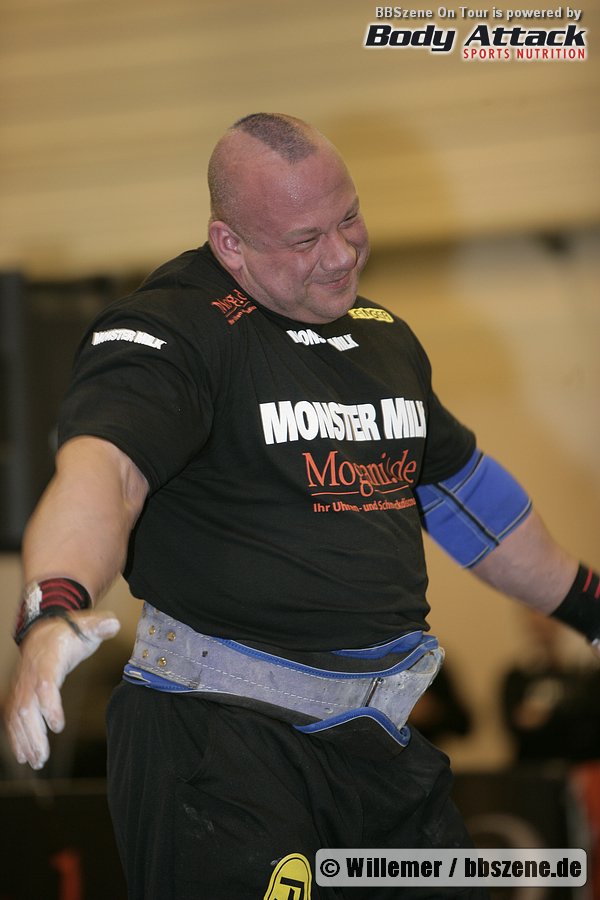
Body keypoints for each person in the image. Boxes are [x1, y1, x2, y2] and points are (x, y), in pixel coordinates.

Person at [4, 113, 599, 900]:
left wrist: (592, 608)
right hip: (222, 744)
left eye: (349, 218)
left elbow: (468, 497)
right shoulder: (168, 332)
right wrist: (54, 605)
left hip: (373, 743)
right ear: (230, 245)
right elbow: (104, 473)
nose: (342, 253)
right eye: (306, 238)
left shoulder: (384, 341)